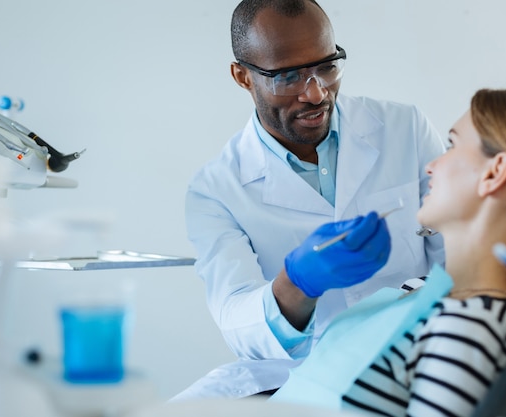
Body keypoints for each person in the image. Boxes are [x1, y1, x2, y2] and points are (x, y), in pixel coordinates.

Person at [180, 0, 445, 398]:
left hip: (413, 353)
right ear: (242, 77)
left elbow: (461, 260)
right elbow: (238, 323)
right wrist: (297, 283)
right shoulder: (216, 189)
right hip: (295, 376)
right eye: (287, 76)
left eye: (327, 66)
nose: (316, 93)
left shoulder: (404, 128)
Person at [271, 88, 506, 416]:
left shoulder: (470, 326)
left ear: (494, 173)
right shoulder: (422, 290)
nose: (432, 166)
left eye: (452, 144)